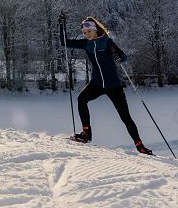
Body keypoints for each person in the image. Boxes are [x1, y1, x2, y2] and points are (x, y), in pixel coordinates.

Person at [59, 13, 152, 155]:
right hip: (96, 84)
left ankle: (140, 146)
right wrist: (62, 25)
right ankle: (86, 134)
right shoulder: (86, 44)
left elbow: (123, 57)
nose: (87, 34)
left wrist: (117, 56)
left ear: (95, 29)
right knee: (81, 99)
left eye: (89, 31)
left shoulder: (107, 42)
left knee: (125, 117)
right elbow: (64, 42)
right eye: (84, 32)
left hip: (113, 85)